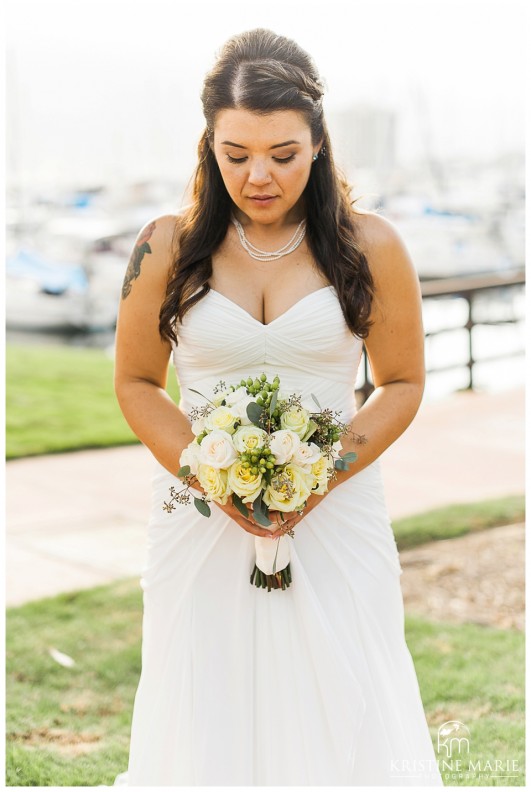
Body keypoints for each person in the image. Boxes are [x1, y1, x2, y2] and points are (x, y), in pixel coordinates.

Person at [112, 28, 443, 786]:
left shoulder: (372, 246)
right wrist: (211, 476)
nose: (258, 175)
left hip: (338, 512)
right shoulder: (164, 246)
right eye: (236, 154)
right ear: (209, 144)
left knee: (344, 687)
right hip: (197, 515)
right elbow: (136, 382)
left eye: (282, 154)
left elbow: (401, 382)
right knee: (203, 694)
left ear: (319, 143)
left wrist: (317, 477)